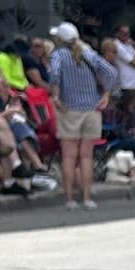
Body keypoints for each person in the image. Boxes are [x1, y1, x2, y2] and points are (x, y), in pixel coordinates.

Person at [46, 22, 107, 209]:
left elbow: (54, 75)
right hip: (92, 109)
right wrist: (105, 95)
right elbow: (108, 73)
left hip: (69, 109)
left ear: (59, 40)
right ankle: (87, 198)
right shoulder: (90, 53)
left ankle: (70, 199)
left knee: (69, 156)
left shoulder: (58, 55)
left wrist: (56, 95)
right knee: (87, 156)